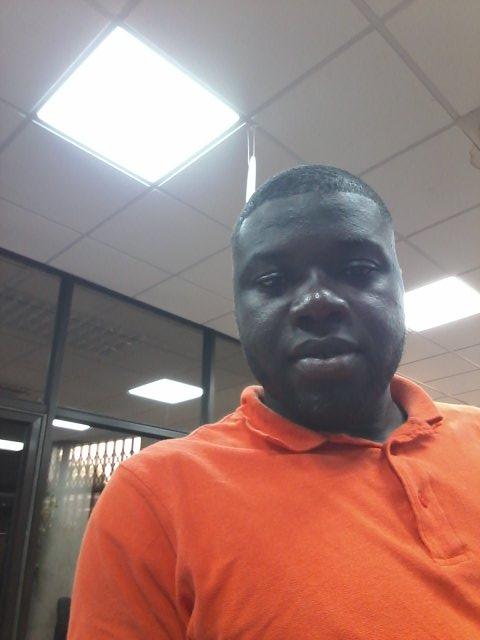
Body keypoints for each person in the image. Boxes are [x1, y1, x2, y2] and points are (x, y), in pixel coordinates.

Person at [68, 166, 480, 639]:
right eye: (272, 279)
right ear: (239, 310)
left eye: (357, 270)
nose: (317, 302)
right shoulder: (153, 498)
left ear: (399, 286)